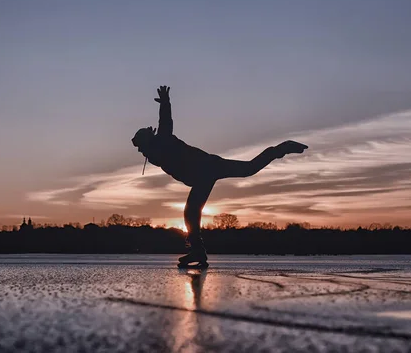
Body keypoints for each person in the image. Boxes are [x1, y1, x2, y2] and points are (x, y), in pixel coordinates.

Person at [132, 86, 308, 267]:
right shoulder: (153, 153)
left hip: (206, 168)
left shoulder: (163, 141)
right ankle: (198, 252)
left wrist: (166, 102)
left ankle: (282, 148)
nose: (139, 150)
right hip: (204, 173)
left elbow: (165, 122)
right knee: (195, 209)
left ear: (148, 141)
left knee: (244, 172)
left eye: (140, 146)